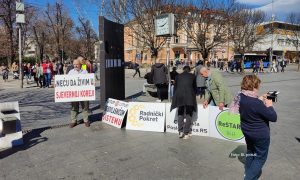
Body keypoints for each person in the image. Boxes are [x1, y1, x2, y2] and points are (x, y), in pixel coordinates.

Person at [229, 75, 277, 180]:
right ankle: (249, 177)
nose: (259, 87)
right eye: (258, 85)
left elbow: (250, 104)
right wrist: (269, 104)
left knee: (251, 152)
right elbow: (273, 117)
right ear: (254, 86)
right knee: (260, 157)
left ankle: (248, 172)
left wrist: (260, 98)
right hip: (260, 134)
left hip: (247, 131)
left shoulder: (241, 96)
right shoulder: (257, 103)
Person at [171, 66, 197, 139]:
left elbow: (175, 87)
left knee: (180, 113)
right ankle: (186, 133)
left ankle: (180, 131)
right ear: (189, 70)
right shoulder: (192, 76)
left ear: (183, 70)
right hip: (189, 97)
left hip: (179, 96)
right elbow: (195, 87)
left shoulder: (178, 76)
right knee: (189, 114)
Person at [68, 59, 90, 128]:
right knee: (74, 107)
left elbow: (89, 80)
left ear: (80, 64)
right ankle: (73, 121)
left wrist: (92, 82)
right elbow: (66, 81)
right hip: (74, 93)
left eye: (77, 64)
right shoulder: (70, 72)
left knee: (85, 107)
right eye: (74, 64)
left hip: (83, 93)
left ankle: (86, 120)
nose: (75, 66)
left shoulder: (85, 71)